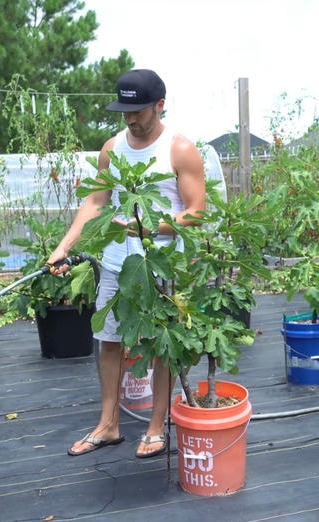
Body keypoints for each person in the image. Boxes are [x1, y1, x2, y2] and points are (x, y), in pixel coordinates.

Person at [47, 69, 208, 459]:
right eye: (125, 112)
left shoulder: (180, 150)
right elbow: (96, 202)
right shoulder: (112, 148)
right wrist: (65, 245)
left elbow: (197, 212)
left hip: (162, 265)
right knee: (110, 342)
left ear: (159, 105)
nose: (132, 120)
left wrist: (150, 230)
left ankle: (156, 426)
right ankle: (108, 426)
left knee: (159, 344)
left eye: (139, 111)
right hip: (118, 263)